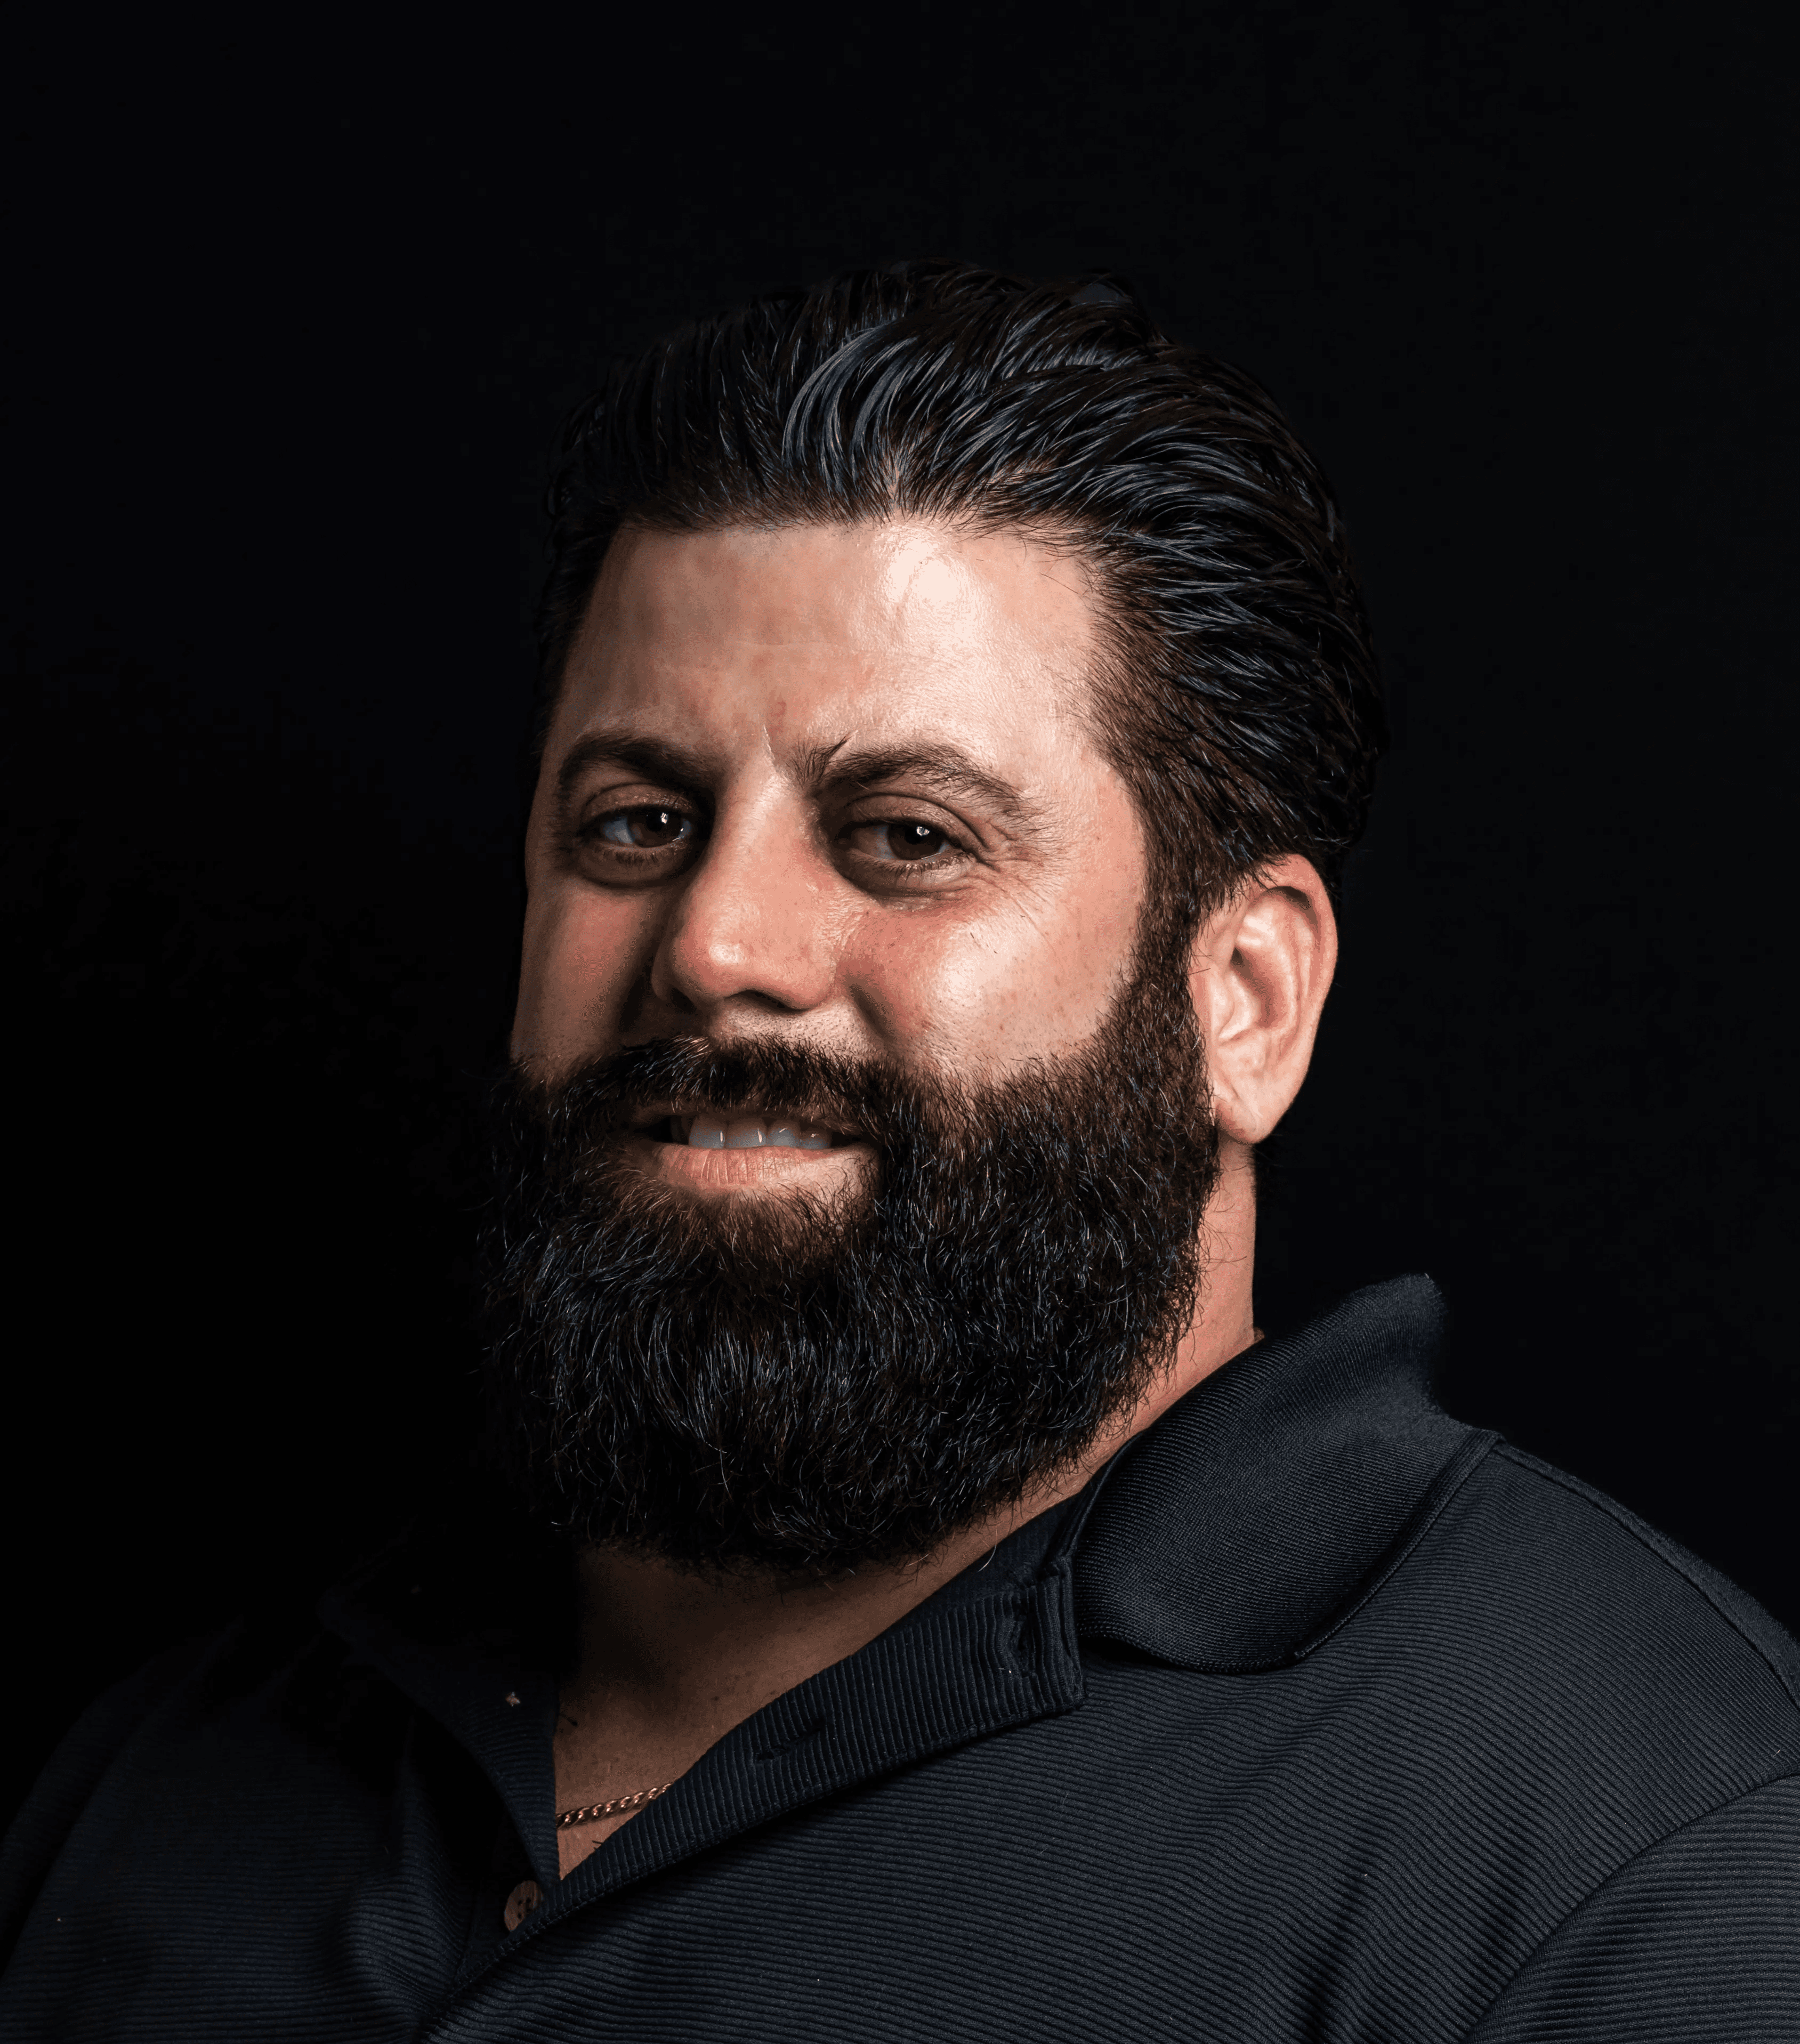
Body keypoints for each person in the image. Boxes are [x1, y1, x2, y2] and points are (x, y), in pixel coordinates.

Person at [2, 261, 1794, 2042]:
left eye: (906, 836)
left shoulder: (1646, 1852)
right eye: (637, 822)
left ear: (1245, 999)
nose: (716, 946)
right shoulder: (172, 1770)